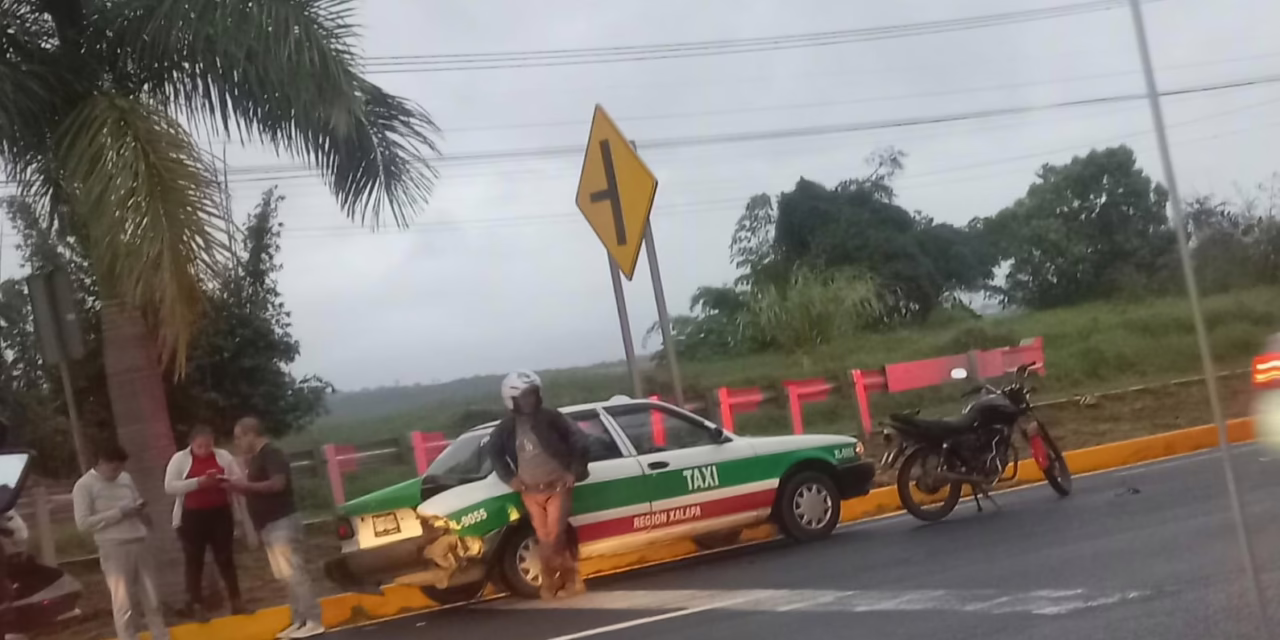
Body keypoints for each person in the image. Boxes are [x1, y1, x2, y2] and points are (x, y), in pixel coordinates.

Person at [485, 370, 590, 600]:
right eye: (524, 397)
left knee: (554, 535)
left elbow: (580, 441)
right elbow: (493, 451)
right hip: (530, 492)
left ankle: (558, 582)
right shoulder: (506, 427)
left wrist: (573, 471)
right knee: (544, 538)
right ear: (511, 400)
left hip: (557, 487)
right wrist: (510, 478)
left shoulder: (551, 418)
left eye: (532, 395)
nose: (529, 400)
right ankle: (565, 580)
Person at [230, 417, 323, 639]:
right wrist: (237, 487)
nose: (238, 443)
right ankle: (299, 620)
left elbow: (277, 483)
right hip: (268, 524)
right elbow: (256, 489)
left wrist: (244, 485)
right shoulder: (256, 458)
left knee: (295, 572)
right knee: (285, 575)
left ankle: (313, 619)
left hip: (282, 521)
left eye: (239, 437)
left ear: (252, 434)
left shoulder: (272, 453)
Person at [71, 442, 170, 640]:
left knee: (151, 597)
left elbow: (135, 499)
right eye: (114, 468)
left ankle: (161, 636)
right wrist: (118, 513)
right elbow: (83, 523)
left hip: (138, 540)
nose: (118, 472)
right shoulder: (84, 485)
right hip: (114, 546)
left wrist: (140, 512)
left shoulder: (125, 478)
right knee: (123, 601)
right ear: (101, 462)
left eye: (121, 468)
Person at [164, 425, 255, 620]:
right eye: (200, 446)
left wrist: (225, 481)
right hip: (192, 516)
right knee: (194, 560)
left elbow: (239, 478)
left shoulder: (223, 456)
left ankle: (236, 601)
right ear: (191, 444)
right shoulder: (179, 459)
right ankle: (196, 605)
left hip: (220, 513)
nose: (205, 450)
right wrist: (198, 482)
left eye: (209, 445)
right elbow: (170, 486)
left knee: (225, 558)